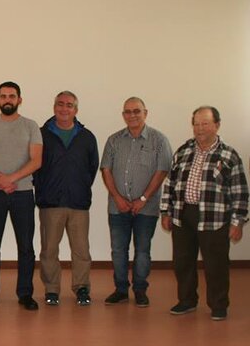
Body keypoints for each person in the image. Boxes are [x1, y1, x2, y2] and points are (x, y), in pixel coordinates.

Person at [160, 106, 248, 321]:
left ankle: (219, 305)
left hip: (214, 218)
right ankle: (187, 301)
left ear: (217, 125)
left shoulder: (229, 155)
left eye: (205, 124)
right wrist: (166, 211)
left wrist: (237, 222)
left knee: (216, 264)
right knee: (182, 262)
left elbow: (240, 191)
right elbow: (170, 183)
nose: (200, 128)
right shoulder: (183, 151)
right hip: (183, 215)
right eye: (196, 124)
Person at [0, 81, 42, 311]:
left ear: (19, 99)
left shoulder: (30, 126)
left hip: (23, 194)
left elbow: (36, 160)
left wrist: (11, 178)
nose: (7, 100)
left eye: (12, 96)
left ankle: (25, 293)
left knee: (26, 247)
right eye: (3, 96)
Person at [100, 97, 172, 308]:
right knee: (118, 250)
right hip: (117, 207)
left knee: (142, 251)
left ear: (145, 113)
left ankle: (140, 290)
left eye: (136, 111)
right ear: (123, 115)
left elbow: (162, 171)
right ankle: (121, 290)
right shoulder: (114, 140)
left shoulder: (159, 140)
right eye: (128, 111)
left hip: (146, 208)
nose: (132, 115)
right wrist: (117, 198)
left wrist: (143, 199)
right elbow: (106, 170)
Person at [34, 91, 99, 306]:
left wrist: (80, 186)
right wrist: (43, 188)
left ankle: (81, 288)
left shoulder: (86, 137)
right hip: (50, 202)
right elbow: (34, 165)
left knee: (81, 250)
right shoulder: (41, 135)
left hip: (78, 203)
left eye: (69, 105)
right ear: (54, 107)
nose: (64, 108)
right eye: (60, 104)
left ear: (75, 110)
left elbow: (92, 167)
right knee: (49, 250)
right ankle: (52, 289)